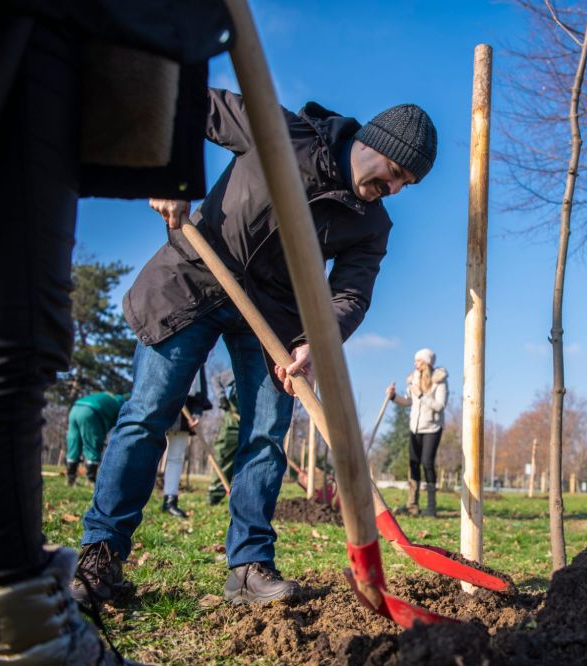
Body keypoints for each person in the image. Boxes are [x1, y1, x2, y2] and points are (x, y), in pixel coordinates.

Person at [72, 89, 438, 606]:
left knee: (266, 434)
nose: (395, 188)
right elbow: (181, 103)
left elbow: (351, 293)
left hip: (272, 319)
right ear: (371, 141)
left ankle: (248, 567)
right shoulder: (278, 131)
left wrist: (317, 341)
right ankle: (101, 556)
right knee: (147, 414)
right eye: (396, 171)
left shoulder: (372, 224)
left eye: (406, 183)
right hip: (193, 280)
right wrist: (168, 175)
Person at [0, 3, 233, 662]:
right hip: (44, 31)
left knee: (15, 331)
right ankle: (24, 617)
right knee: (12, 336)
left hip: (64, 30)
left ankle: (17, 609)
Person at [386, 348, 448, 517]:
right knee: (413, 463)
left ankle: (431, 507)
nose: (415, 364)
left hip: (432, 427)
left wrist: (422, 395)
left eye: (419, 361)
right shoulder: (414, 378)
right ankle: (412, 505)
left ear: (427, 362)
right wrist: (393, 397)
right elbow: (407, 402)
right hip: (415, 427)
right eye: (415, 361)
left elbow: (440, 405)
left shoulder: (439, 381)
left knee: (427, 463)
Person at [160, 366, 212, 518]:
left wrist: (196, 412)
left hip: (185, 406)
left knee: (176, 456)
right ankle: (133, 498)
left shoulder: (200, 354)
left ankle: (170, 500)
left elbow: (199, 387)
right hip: (160, 398)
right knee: (146, 448)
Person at [66, 391, 128, 486]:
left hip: (75, 408)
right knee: (92, 445)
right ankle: (91, 480)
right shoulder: (121, 404)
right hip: (91, 412)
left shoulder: (108, 397)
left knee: (74, 443)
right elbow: (119, 423)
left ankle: (70, 479)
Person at [208, 372, 240, 506]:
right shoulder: (240, 368)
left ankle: (244, 497)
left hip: (255, 423)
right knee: (224, 455)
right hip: (233, 421)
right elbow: (215, 378)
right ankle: (215, 494)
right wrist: (221, 397)